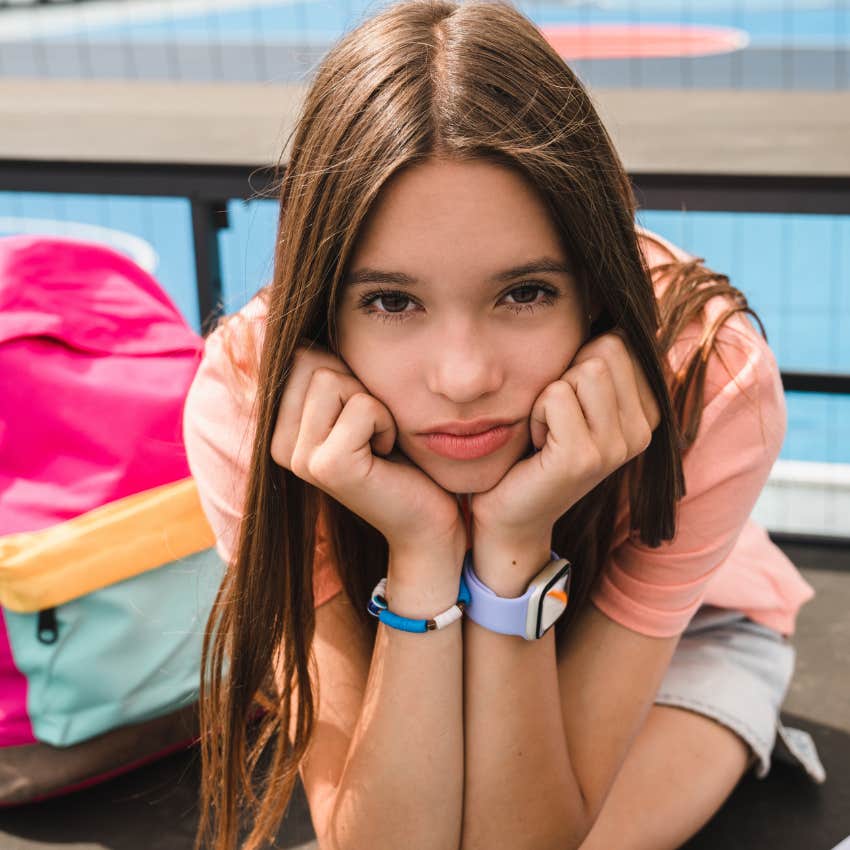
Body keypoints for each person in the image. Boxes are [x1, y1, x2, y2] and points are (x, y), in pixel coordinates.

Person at [182, 2, 824, 848]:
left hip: (685, 638)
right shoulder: (252, 401)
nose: (463, 379)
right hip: (397, 633)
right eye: (391, 301)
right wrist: (421, 550)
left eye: (525, 293)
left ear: (594, 285)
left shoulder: (704, 378)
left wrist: (514, 540)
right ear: (324, 306)